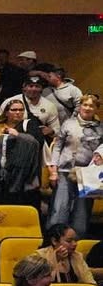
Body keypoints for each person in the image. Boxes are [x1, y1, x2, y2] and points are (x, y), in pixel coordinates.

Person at [49, 94, 102, 235]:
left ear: (96, 109)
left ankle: (77, 243)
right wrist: (53, 171)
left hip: (87, 175)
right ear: (80, 106)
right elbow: (57, 147)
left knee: (82, 212)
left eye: (91, 106)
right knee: (60, 207)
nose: (87, 108)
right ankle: (55, 239)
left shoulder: (100, 128)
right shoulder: (68, 123)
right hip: (64, 172)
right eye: (85, 105)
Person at [0, 98, 45, 209]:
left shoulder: (29, 125)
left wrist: (18, 135)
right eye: (14, 110)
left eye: (21, 110)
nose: (18, 112)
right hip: (0, 173)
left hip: (23, 175)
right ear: (6, 112)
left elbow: (37, 143)